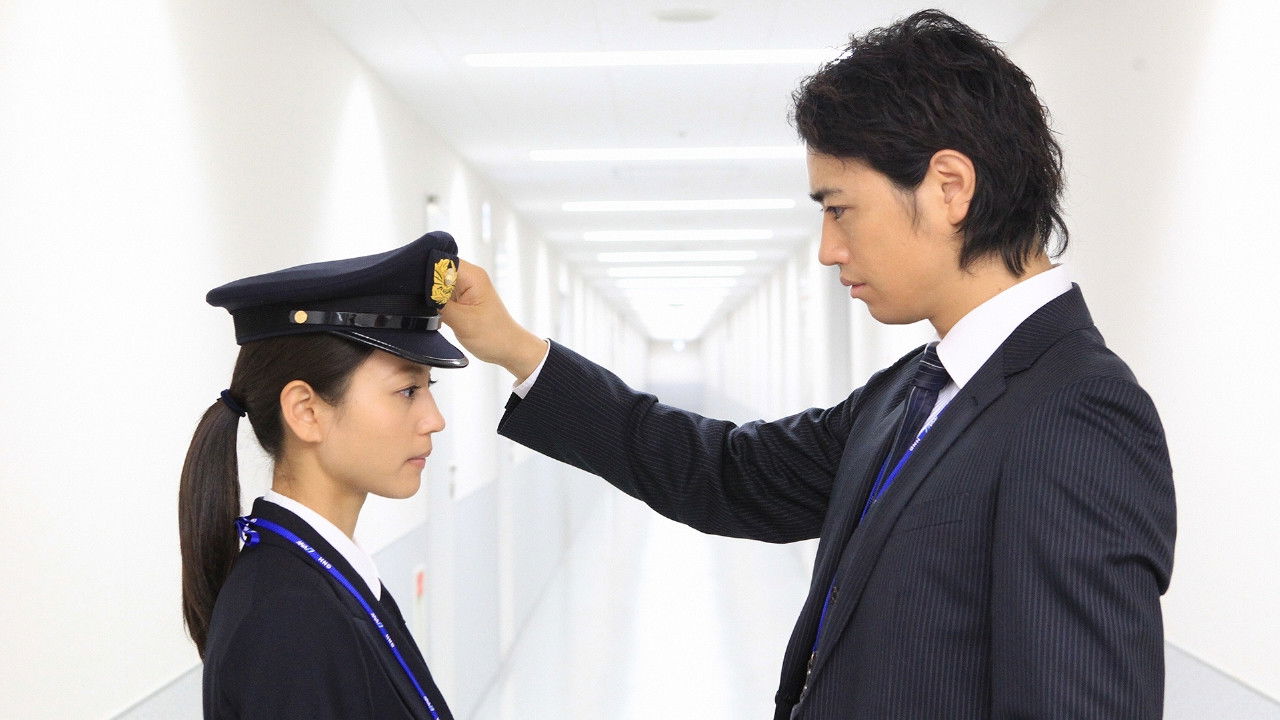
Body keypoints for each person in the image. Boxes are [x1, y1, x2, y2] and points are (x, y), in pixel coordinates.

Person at [441, 10, 1176, 720]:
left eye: (839, 208)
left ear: (949, 187)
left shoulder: (1078, 413)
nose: (828, 249)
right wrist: (516, 349)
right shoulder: (913, 391)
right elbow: (728, 474)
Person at [179, 231, 466, 719]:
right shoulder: (288, 618)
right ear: (306, 411)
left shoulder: (320, 579)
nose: (434, 419)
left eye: (428, 386)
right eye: (407, 391)